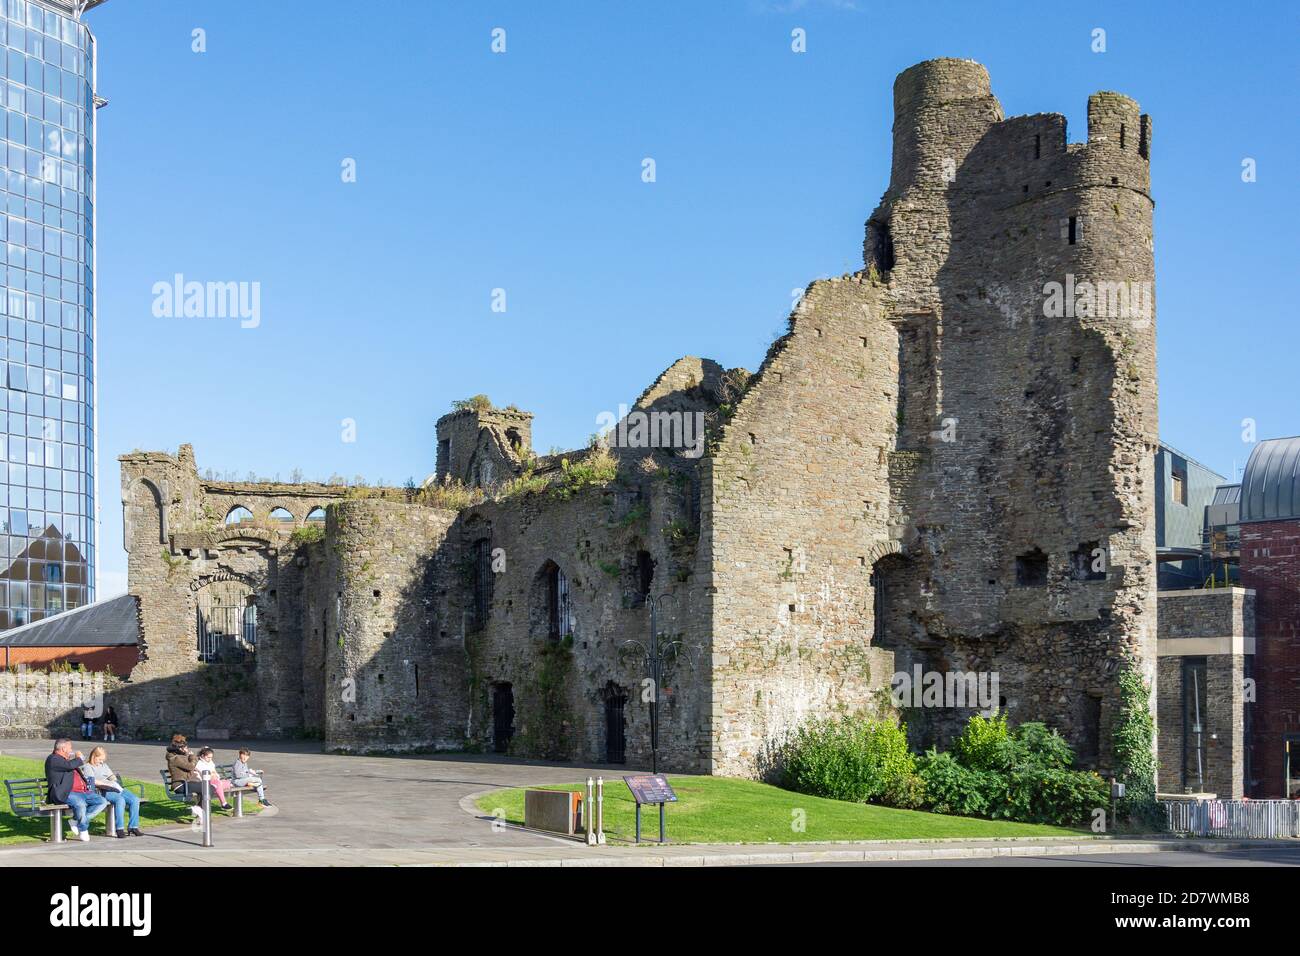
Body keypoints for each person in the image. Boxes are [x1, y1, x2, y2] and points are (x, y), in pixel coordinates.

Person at [44, 738, 107, 842]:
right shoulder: (53, 759)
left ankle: (75, 821)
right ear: (63, 748)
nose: (71, 750)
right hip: (65, 793)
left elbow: (72, 766)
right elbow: (69, 766)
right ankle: (83, 829)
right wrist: (79, 757)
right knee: (80, 804)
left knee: (102, 801)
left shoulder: (66, 760)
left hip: (83, 792)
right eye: (70, 748)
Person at [83, 746, 141, 838]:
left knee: (135, 799)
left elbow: (111, 776)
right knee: (120, 800)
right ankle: (119, 828)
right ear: (94, 756)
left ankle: (133, 827)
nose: (101, 762)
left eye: (103, 759)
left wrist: (114, 781)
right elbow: (92, 781)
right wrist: (106, 783)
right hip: (102, 789)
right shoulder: (88, 767)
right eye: (100, 759)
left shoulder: (104, 765)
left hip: (113, 787)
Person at [165, 734, 224, 821]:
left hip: (186, 783)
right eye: (185, 748)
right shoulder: (175, 758)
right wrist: (192, 756)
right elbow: (191, 766)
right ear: (179, 749)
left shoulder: (179, 756)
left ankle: (199, 812)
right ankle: (198, 809)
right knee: (209, 788)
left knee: (207, 788)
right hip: (180, 785)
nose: (187, 749)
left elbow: (190, 767)